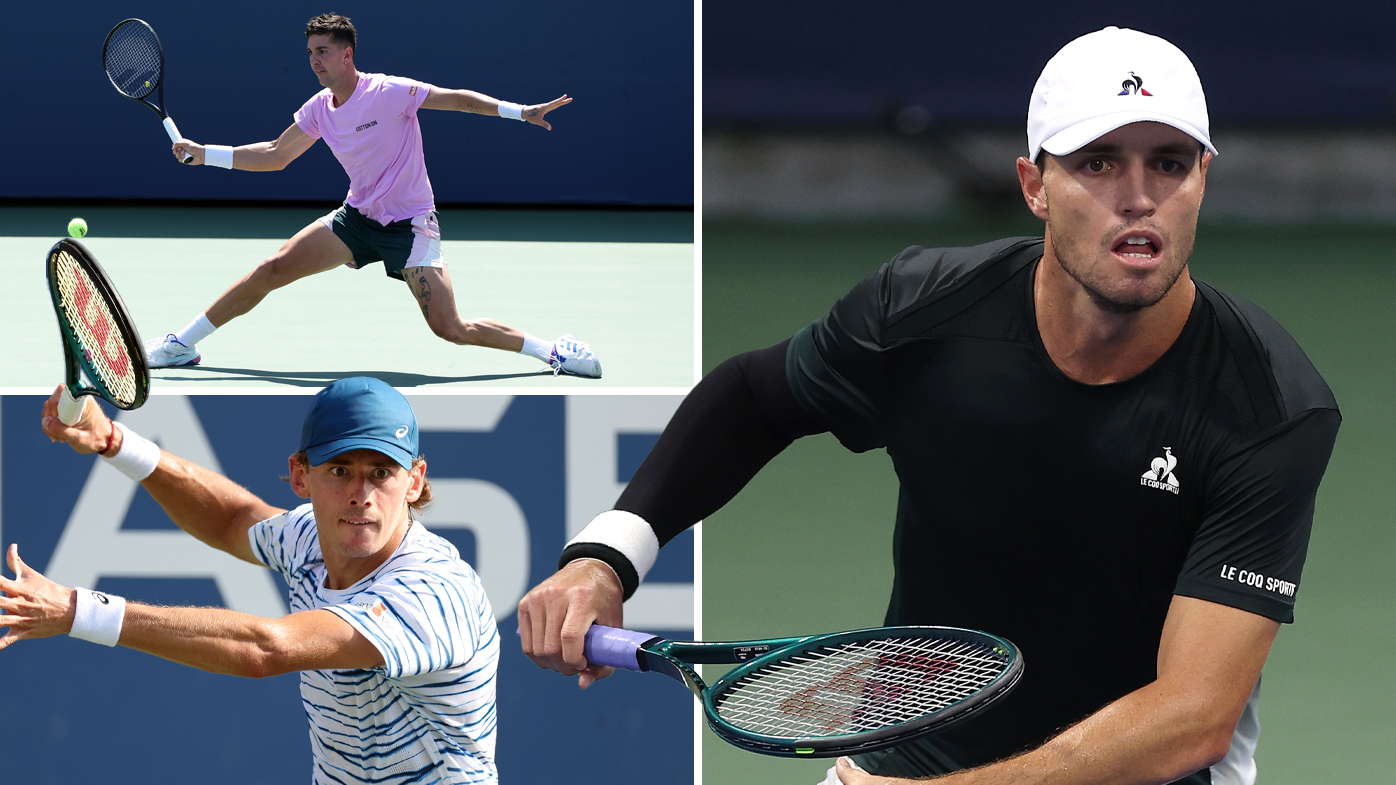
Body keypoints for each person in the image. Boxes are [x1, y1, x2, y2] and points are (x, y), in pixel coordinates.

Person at [517, 26, 1341, 785]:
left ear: (1204, 179)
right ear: (1035, 186)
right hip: (912, 747)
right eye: (1096, 162)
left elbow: (1192, 717)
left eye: (1169, 162)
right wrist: (605, 554)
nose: (1138, 196)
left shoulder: (1268, 407)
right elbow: (754, 397)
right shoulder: (924, 312)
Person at [7, 377, 500, 784]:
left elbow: (265, 650)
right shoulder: (310, 537)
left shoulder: (434, 590)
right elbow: (231, 519)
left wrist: (77, 611)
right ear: (300, 476)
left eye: (382, 472)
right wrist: (114, 441)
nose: (361, 494)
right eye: (341, 470)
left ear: (413, 481)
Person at [147, 12, 601, 378]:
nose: (314, 61)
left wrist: (521, 112)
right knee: (272, 269)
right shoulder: (319, 109)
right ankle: (181, 345)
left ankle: (552, 351)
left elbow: (458, 99)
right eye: (310, 52)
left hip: (410, 226)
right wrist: (207, 155)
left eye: (323, 52)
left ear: (347, 55)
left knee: (451, 328)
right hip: (357, 220)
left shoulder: (388, 92)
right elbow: (275, 154)